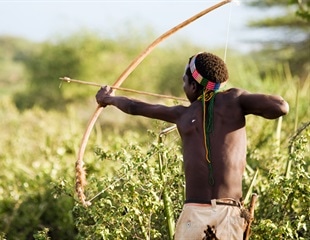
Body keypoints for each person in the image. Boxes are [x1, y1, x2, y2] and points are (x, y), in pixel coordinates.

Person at [95, 52, 289, 239]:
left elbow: (134, 107)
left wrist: (109, 98)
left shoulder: (184, 114)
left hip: (195, 216)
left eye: (184, 82)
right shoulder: (233, 100)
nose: (183, 86)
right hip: (225, 215)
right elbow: (281, 106)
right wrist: (237, 99)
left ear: (194, 87)